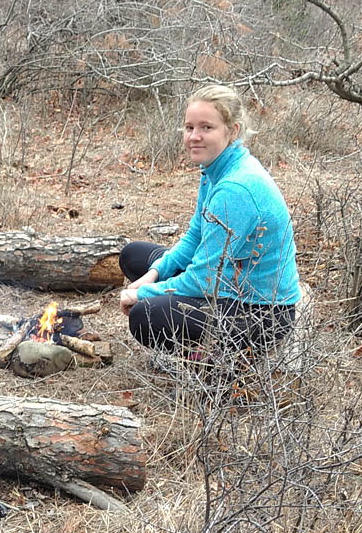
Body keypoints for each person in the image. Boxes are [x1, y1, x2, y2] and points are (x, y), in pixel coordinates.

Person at [118, 84, 300, 359]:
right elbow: (195, 237)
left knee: (146, 316)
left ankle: (207, 362)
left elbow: (203, 280)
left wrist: (143, 294)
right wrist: (152, 275)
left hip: (260, 313)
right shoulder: (215, 169)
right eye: (189, 127)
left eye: (206, 127)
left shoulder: (235, 188)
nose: (194, 136)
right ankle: (197, 339)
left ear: (233, 131)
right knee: (135, 256)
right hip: (230, 282)